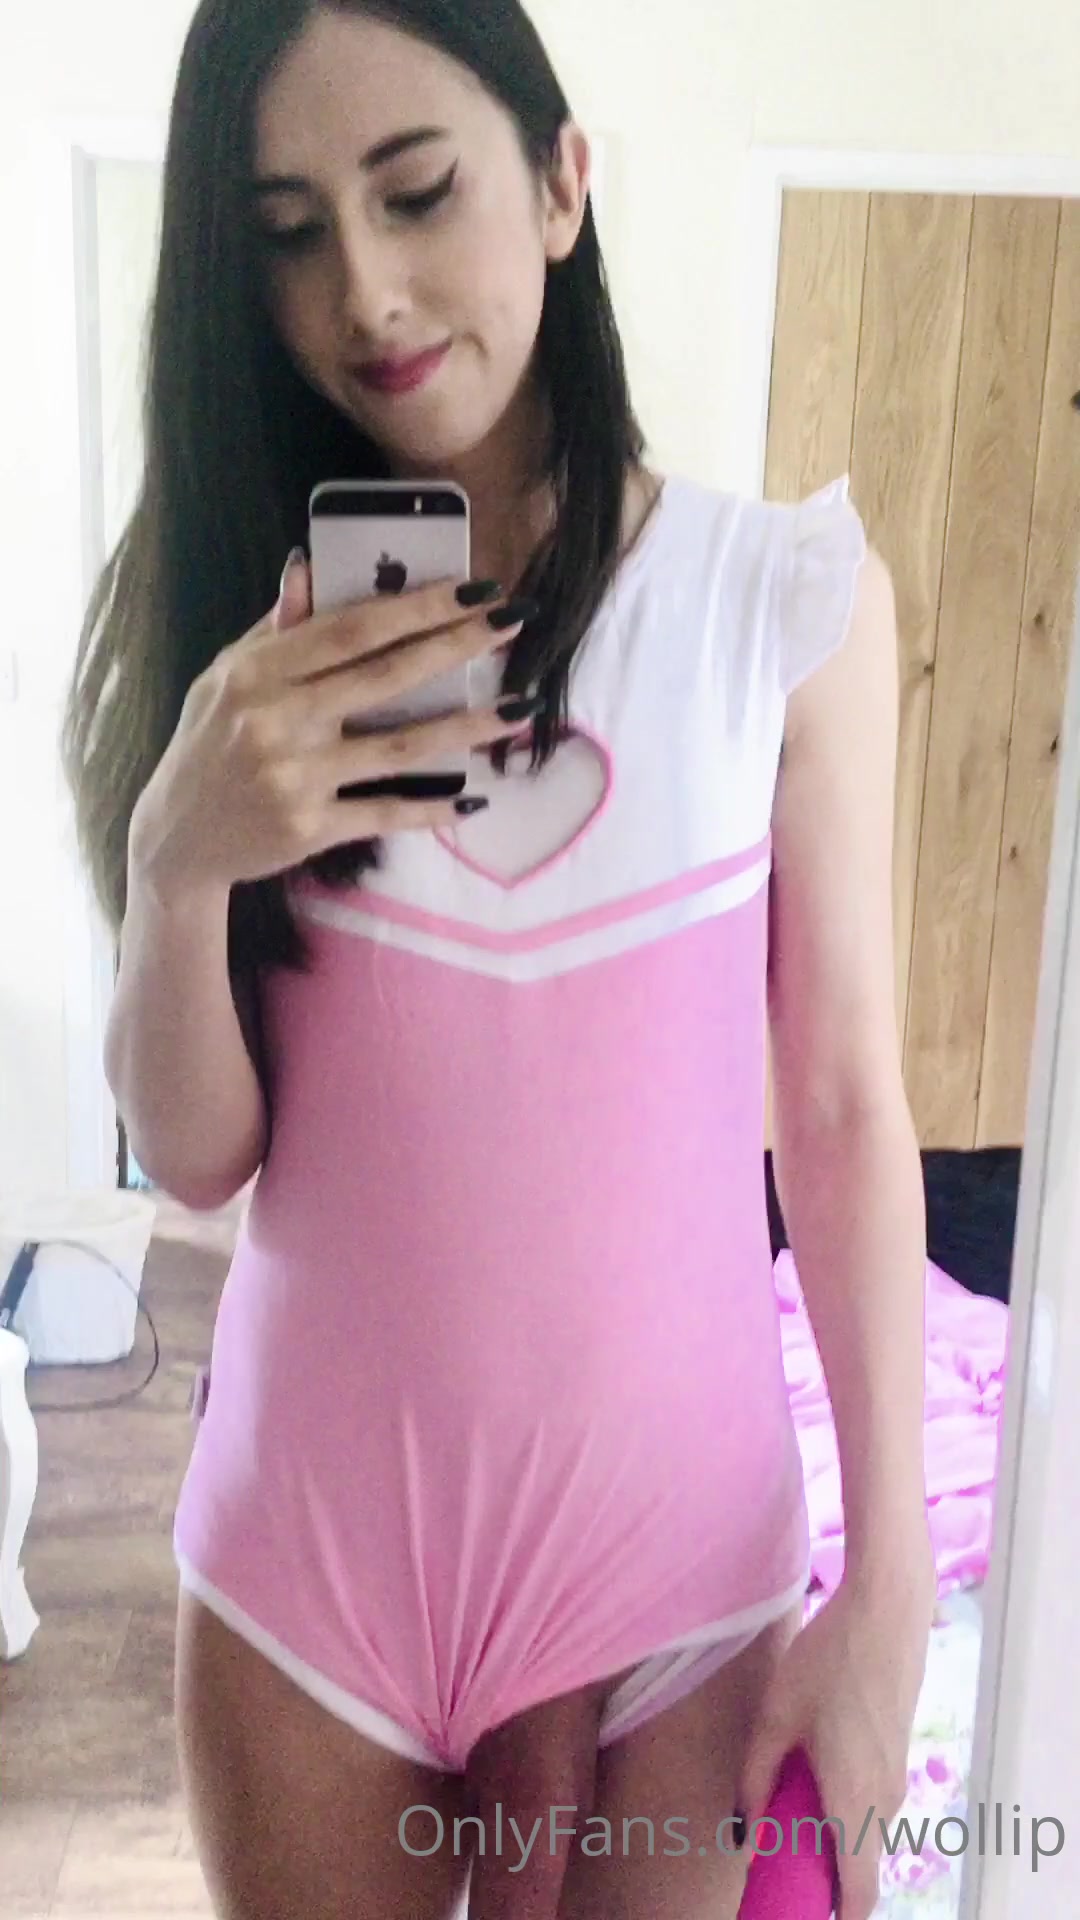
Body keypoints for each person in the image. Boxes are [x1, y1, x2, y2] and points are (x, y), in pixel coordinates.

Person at [62, 2, 936, 1915]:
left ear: (558, 183)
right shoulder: (238, 630)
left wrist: (887, 1584)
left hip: (679, 1580)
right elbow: (200, 1156)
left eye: (415, 192)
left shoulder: (778, 608)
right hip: (315, 1589)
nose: (363, 292)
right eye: (289, 232)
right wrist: (176, 860)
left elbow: (843, 1101)